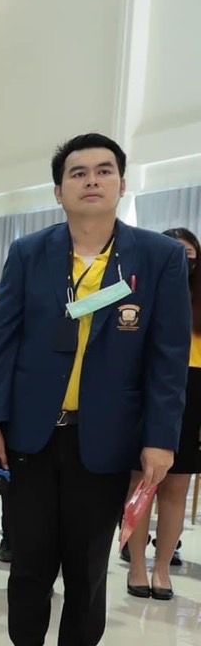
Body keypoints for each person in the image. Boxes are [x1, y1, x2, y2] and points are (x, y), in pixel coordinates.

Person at [0, 133, 189, 646]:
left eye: (103, 170)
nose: (91, 180)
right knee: (30, 560)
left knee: (87, 563)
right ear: (59, 190)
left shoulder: (157, 257)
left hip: (105, 437)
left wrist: (160, 438)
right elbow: (3, 343)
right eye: (77, 172)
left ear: (122, 183)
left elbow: (168, 357)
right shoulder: (30, 253)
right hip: (31, 434)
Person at [124, 227, 200, 599]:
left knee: (176, 488)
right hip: (146, 386)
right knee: (143, 483)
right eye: (175, 251)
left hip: (194, 388)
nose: (183, 259)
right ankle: (137, 565)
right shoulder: (139, 287)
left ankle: (163, 567)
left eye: (189, 252)